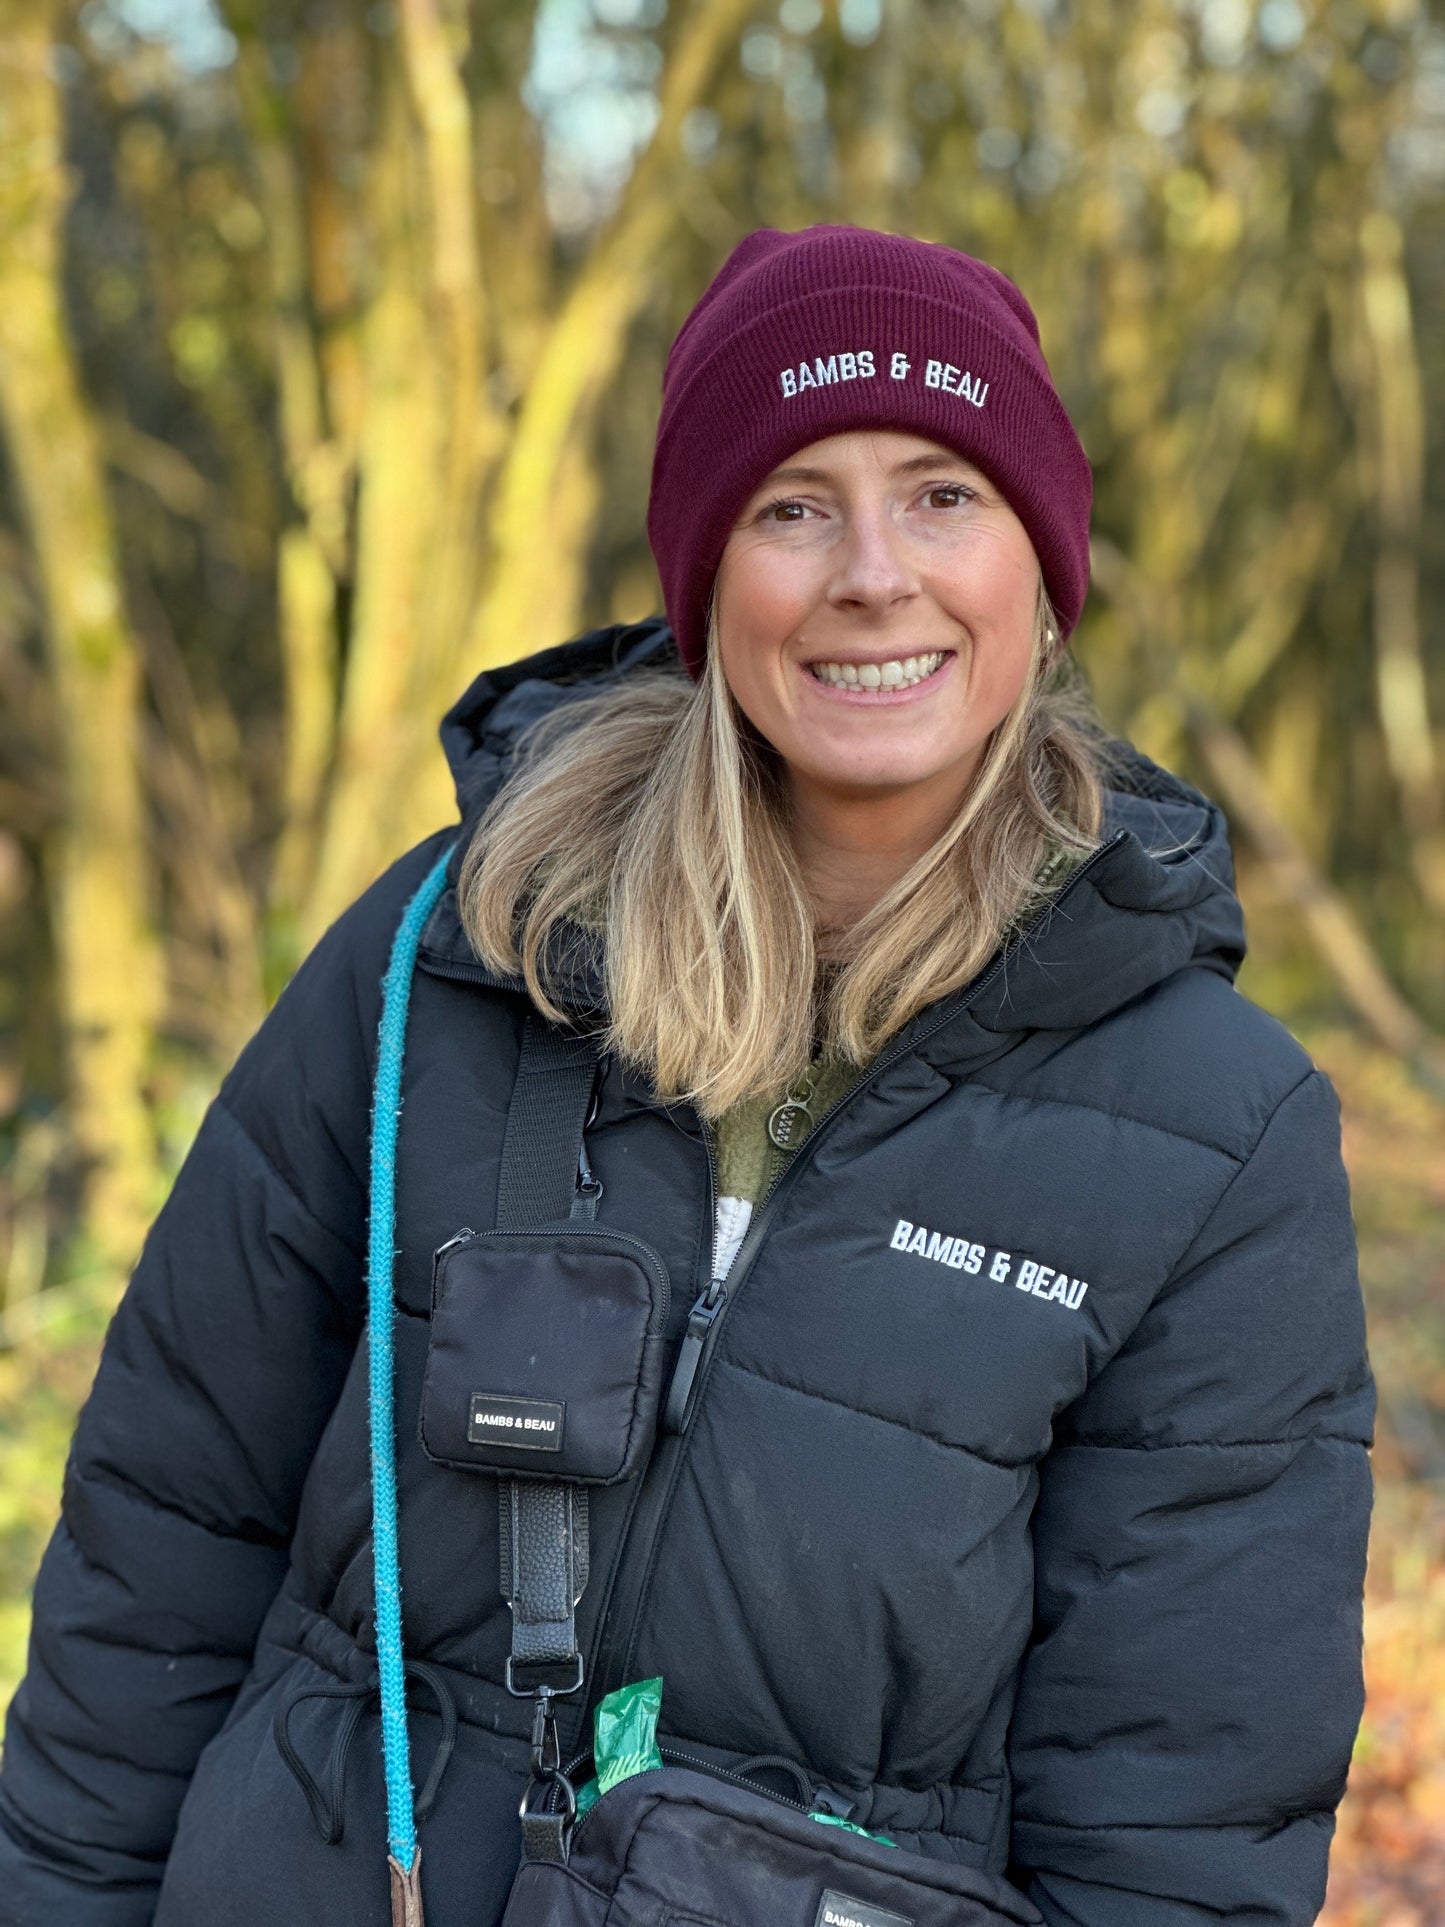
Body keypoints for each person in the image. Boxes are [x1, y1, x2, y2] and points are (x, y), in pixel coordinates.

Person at [0, 225, 1372, 1927]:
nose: (873, 570)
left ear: (1040, 559)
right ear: (707, 570)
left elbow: (1187, 1805)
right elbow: (165, 1526)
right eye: (793, 503)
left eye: (943, 492)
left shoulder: (1214, 1132)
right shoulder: (448, 952)